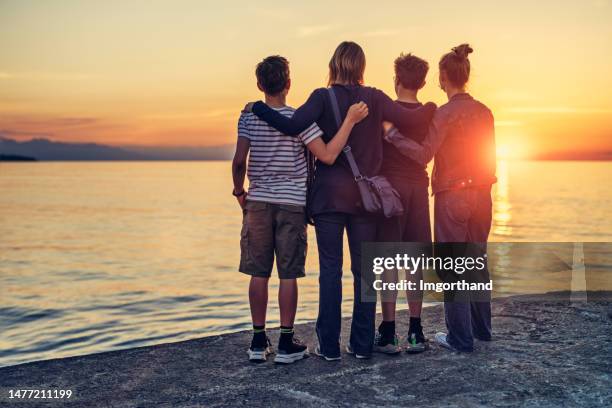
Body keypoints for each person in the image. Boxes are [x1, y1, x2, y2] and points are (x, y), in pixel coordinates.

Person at [245, 42, 436, 360]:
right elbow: (413, 120)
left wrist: (258, 107)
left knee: (330, 272)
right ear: (361, 67)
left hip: (328, 198)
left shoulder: (321, 97)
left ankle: (329, 347)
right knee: (365, 274)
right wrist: (431, 106)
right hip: (365, 201)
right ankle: (361, 346)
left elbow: (292, 126)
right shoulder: (374, 97)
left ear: (334, 64)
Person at [232, 55, 369, 364]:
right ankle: (285, 343)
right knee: (288, 274)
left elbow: (240, 160)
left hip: (257, 201)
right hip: (293, 203)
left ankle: (257, 341)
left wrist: (240, 191)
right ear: (289, 84)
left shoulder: (249, 118)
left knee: (258, 272)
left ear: (259, 85)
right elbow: (327, 155)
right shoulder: (302, 121)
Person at [385, 44, 497, 352]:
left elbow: (423, 155)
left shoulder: (445, 113)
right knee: (477, 262)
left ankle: (459, 338)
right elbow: (490, 158)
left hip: (453, 196)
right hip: (483, 195)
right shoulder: (485, 112)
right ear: (466, 75)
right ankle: (482, 330)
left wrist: (393, 136)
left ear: (443, 78)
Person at [375, 53, 432, 355]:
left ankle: (387, 332)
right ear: (423, 82)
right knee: (414, 262)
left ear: (396, 79)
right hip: (419, 190)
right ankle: (415, 330)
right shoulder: (428, 113)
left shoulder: (385, 112)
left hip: (392, 192)